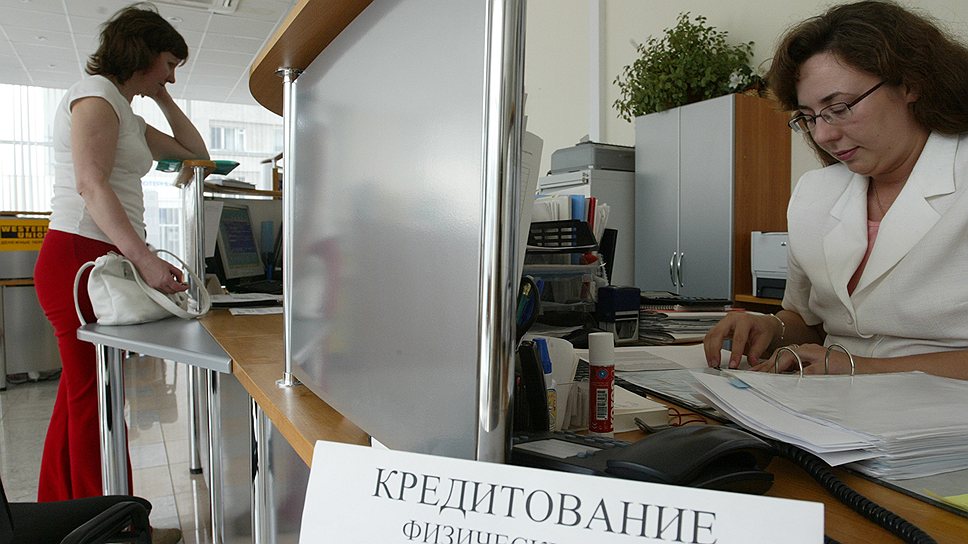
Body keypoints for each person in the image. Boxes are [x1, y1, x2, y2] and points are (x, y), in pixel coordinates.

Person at [703, 0, 968, 379]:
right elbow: (809, 320)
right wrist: (770, 327)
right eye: (808, 117)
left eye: (839, 108)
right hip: (829, 401)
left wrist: (864, 368)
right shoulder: (815, 193)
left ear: (911, 84)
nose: (823, 135)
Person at [33, 0, 207, 523]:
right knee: (97, 399)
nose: (172, 76)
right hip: (78, 257)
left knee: (81, 394)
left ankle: (63, 514)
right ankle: (115, 526)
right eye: (169, 64)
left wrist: (162, 96)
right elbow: (90, 185)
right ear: (143, 52)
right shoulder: (95, 96)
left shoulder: (125, 111)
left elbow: (194, 151)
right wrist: (146, 259)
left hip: (99, 256)